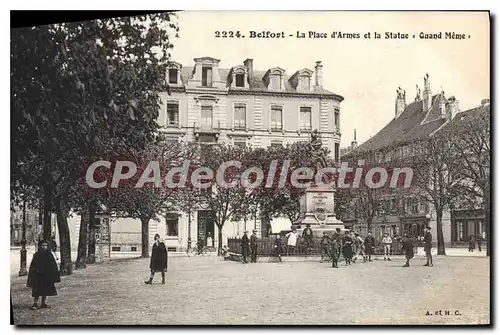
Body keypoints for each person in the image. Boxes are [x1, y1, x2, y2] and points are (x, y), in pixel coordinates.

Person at [27, 240, 61, 310]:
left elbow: (53, 265)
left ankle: (43, 303)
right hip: (38, 275)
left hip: (46, 275)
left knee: (45, 289)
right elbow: (33, 265)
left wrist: (53, 274)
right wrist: (35, 272)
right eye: (42, 245)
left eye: (45, 245)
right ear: (40, 246)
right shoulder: (37, 255)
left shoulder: (49, 254)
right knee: (37, 290)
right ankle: (35, 303)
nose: (44, 247)